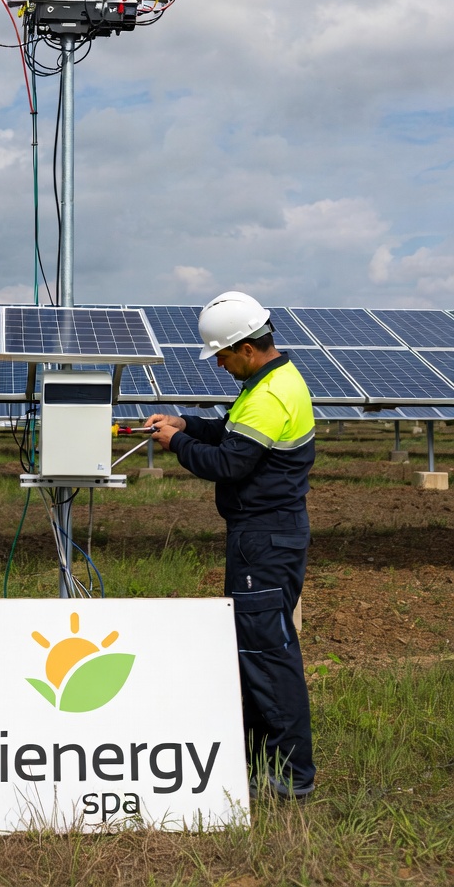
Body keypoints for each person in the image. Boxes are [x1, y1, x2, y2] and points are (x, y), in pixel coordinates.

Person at [146, 290, 316, 800]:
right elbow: (228, 431)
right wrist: (186, 424)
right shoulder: (272, 382)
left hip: (264, 539)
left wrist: (175, 443)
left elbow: (228, 463)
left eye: (221, 353)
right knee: (257, 648)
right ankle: (260, 759)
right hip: (266, 534)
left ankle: (290, 777)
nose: (218, 363)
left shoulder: (270, 395)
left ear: (246, 346)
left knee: (267, 652)